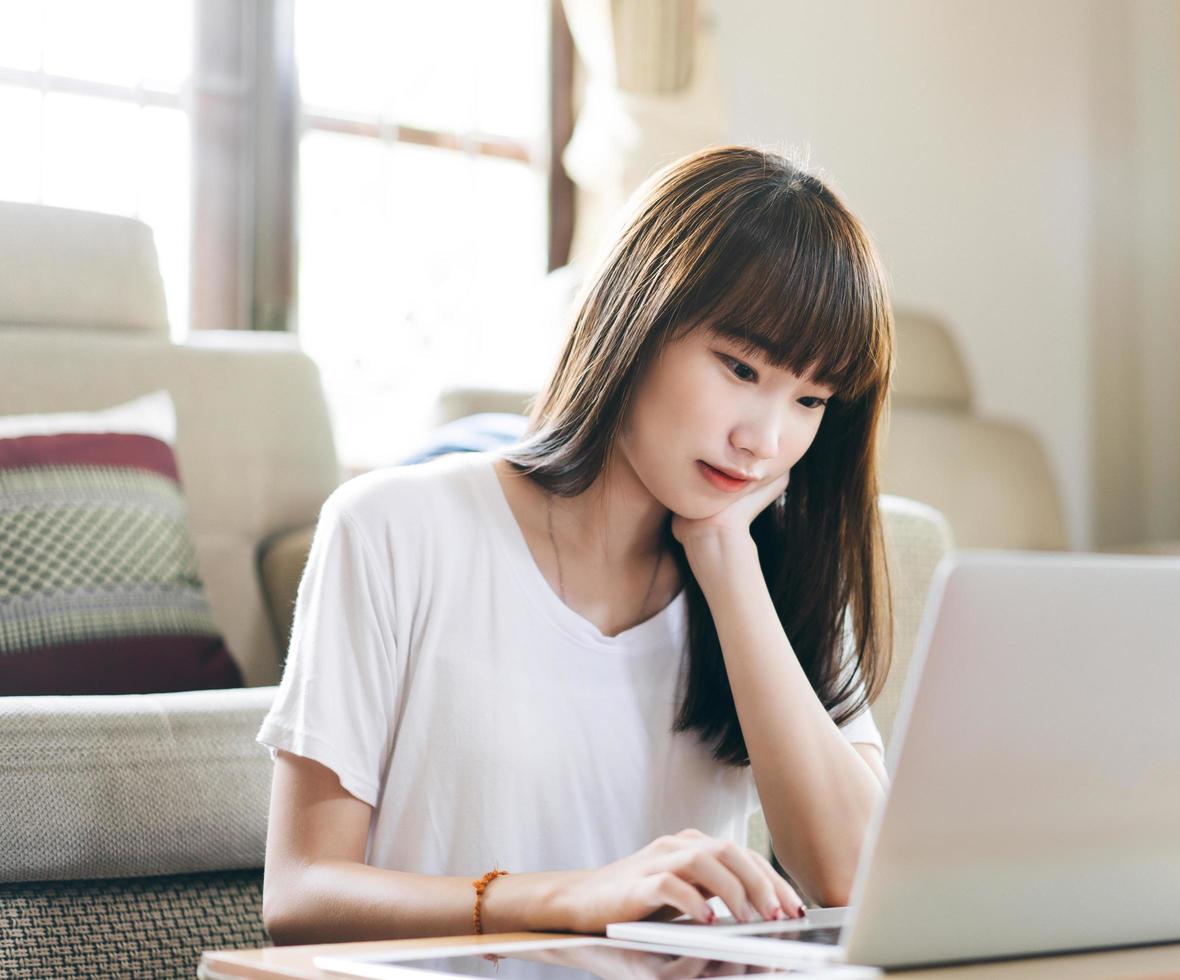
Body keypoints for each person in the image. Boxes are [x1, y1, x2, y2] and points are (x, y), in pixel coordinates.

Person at [257, 145, 896, 946]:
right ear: (637, 320)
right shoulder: (391, 528)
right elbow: (300, 897)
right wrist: (565, 899)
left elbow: (854, 878)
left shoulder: (776, 573)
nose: (763, 439)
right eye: (739, 368)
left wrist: (727, 563)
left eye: (810, 399)